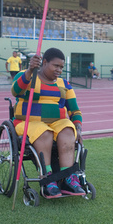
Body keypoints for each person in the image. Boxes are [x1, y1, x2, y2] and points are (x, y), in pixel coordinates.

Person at [11, 48, 85, 198]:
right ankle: (47, 179)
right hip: (28, 122)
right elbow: (16, 91)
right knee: (44, 132)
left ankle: (67, 178)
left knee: (68, 131)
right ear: (44, 62)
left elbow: (75, 110)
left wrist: (78, 126)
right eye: (55, 66)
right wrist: (30, 71)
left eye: (61, 67)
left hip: (57, 122)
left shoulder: (64, 84)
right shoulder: (28, 77)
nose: (59, 70)